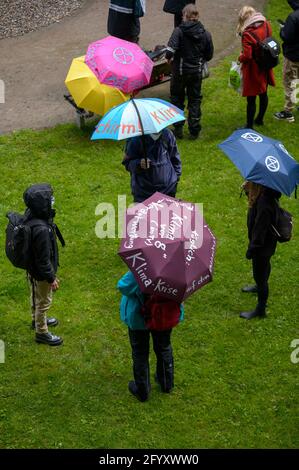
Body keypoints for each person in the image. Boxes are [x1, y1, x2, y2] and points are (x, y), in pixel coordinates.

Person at [117, 271, 184, 401]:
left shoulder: (142, 269)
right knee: (163, 347)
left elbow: (124, 286)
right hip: (164, 318)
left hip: (139, 318)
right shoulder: (179, 271)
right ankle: (166, 383)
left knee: (140, 353)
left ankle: (142, 390)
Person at [165, 3, 214, 140]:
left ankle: (178, 129)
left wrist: (169, 59)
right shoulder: (205, 33)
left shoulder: (179, 31)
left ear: (184, 16)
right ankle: (194, 130)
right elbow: (209, 55)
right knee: (195, 100)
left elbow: (170, 51)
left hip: (179, 72)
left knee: (177, 98)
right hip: (196, 73)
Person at [24, 184, 64, 345]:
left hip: (32, 269)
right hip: (41, 273)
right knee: (44, 302)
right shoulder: (41, 230)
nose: (52, 201)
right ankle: (42, 332)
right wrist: (51, 278)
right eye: (49, 200)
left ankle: (36, 320)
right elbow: (43, 259)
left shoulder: (30, 216)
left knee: (35, 296)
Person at [240, 181, 281, 320]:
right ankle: (259, 286)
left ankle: (260, 309)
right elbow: (254, 207)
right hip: (267, 244)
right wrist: (247, 192)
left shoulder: (265, 203)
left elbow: (259, 231)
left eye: (251, 182)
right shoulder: (265, 195)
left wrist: (252, 250)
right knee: (264, 270)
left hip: (262, 247)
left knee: (260, 276)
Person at [237, 6, 275, 128]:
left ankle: (249, 126)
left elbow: (247, 56)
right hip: (266, 63)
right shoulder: (266, 24)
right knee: (264, 93)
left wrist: (240, 57)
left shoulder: (247, 33)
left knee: (251, 98)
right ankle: (259, 119)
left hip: (254, 68)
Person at [122, 128, 182, 203]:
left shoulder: (167, 134)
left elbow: (175, 158)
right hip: (144, 192)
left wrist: (176, 179)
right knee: (146, 214)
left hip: (168, 189)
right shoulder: (135, 139)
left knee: (165, 214)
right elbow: (127, 163)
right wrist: (139, 163)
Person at [274, 0, 299, 122]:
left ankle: (288, 112)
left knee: (290, 82)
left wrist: (283, 29)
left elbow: (286, 37)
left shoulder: (293, 17)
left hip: (293, 56)